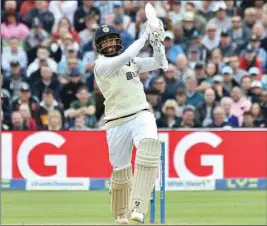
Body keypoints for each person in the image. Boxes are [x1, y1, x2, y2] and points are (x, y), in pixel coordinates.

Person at [93, 24, 168, 224]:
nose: (109, 45)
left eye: (112, 40)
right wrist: (145, 35)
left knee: (150, 148)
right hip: (116, 122)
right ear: (99, 46)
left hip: (140, 113)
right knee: (121, 171)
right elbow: (125, 57)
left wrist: (156, 43)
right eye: (105, 42)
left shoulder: (132, 61)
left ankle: (138, 207)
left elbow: (160, 63)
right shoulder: (101, 66)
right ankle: (120, 213)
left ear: (118, 41)